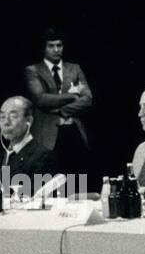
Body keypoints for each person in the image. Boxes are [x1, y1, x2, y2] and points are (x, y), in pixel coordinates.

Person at [23, 29, 93, 172]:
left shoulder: (75, 68)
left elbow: (87, 99)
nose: (56, 50)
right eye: (51, 46)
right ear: (43, 48)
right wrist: (73, 96)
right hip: (47, 135)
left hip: (74, 131)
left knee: (77, 180)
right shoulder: (33, 70)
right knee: (50, 182)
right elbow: (41, 99)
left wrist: (61, 111)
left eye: (59, 45)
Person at [0, 96, 58, 179]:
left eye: (13, 116)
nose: (6, 122)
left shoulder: (43, 157)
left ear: (29, 121)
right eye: (2, 117)